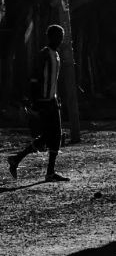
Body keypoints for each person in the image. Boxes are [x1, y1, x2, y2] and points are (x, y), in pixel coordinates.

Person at [8, 24, 70, 182]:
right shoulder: (43, 54)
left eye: (62, 37)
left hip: (52, 100)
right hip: (43, 101)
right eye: (58, 37)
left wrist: (58, 97)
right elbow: (34, 79)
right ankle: (47, 172)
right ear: (51, 37)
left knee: (51, 136)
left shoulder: (56, 54)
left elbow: (54, 81)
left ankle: (18, 159)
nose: (60, 40)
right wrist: (34, 101)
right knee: (53, 136)